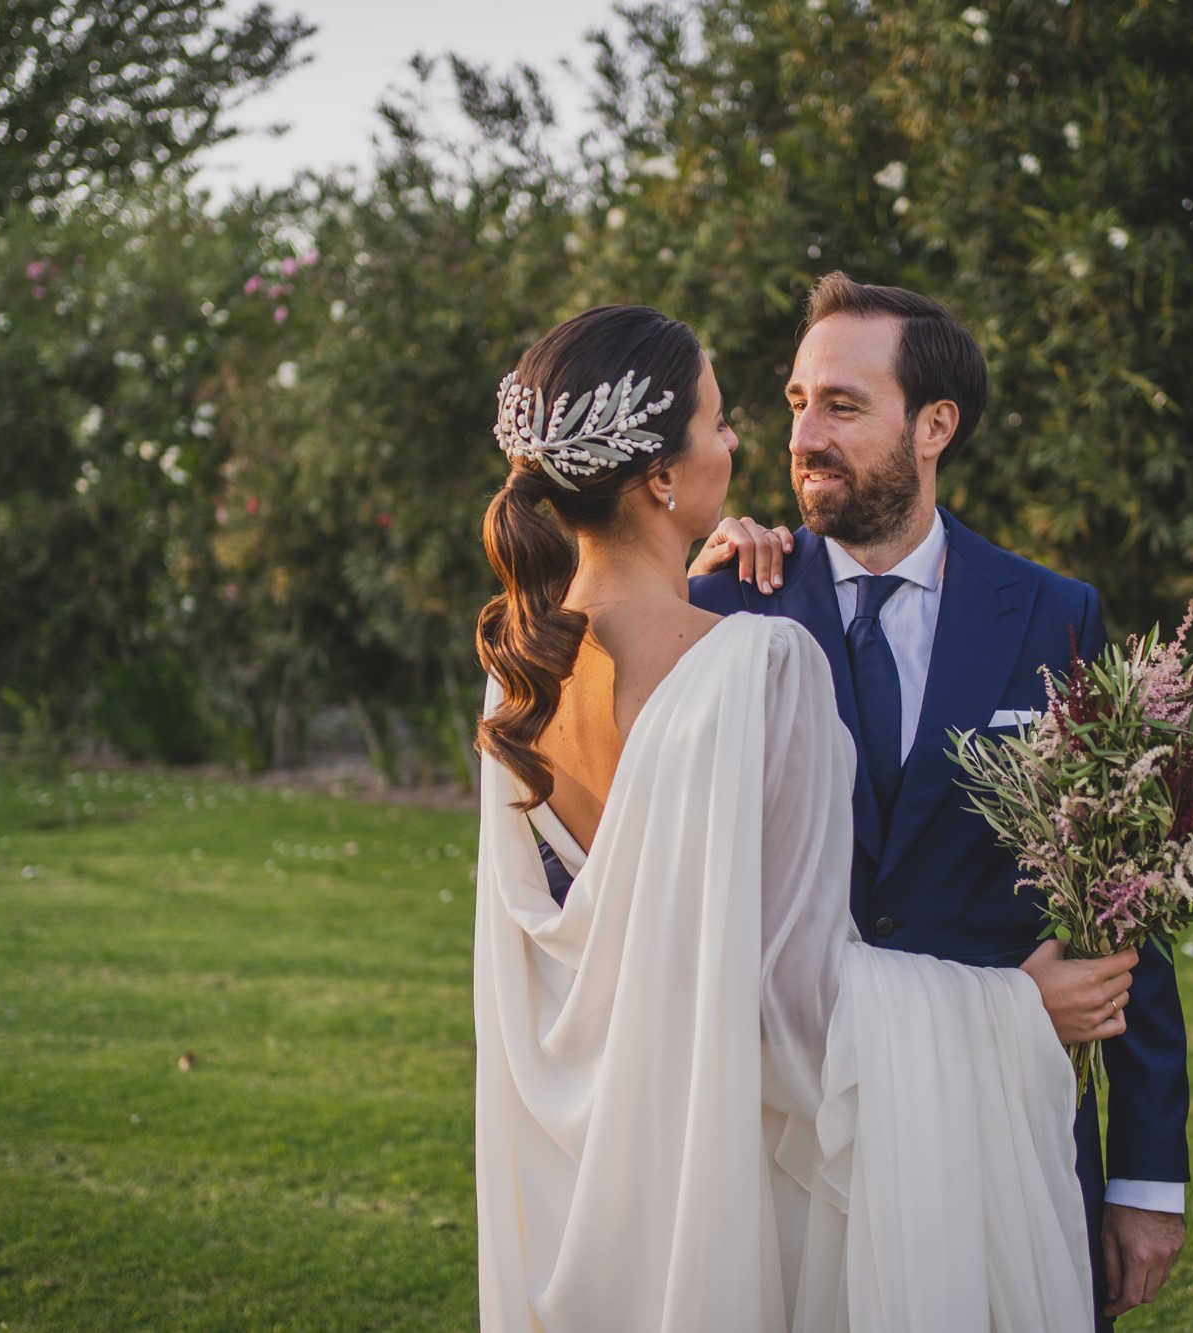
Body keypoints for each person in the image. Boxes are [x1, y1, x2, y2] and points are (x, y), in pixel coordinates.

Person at [471, 304, 1104, 1331]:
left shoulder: (515, 679)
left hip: (602, 1178)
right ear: (661, 476)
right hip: (750, 1179)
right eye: (722, 422)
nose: (748, 444)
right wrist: (1012, 1008)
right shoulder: (759, 663)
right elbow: (799, 1015)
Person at [689, 273, 1191, 1328]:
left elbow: (1121, 898)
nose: (804, 436)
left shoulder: (1054, 614)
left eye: (843, 405)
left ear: (934, 425)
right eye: (796, 403)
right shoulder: (719, 602)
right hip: (789, 1131)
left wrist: (1144, 1179)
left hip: (1000, 1123)